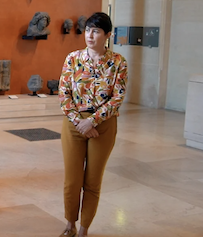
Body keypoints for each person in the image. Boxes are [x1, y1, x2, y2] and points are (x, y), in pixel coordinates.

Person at [58, 12, 128, 237]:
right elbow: (63, 94)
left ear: (107, 35)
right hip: (74, 124)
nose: (90, 35)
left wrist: (93, 121)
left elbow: (117, 97)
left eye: (96, 31)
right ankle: (70, 225)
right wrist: (80, 122)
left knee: (93, 180)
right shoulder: (73, 59)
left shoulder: (118, 62)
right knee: (72, 180)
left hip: (103, 126)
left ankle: (84, 229)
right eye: (88, 30)